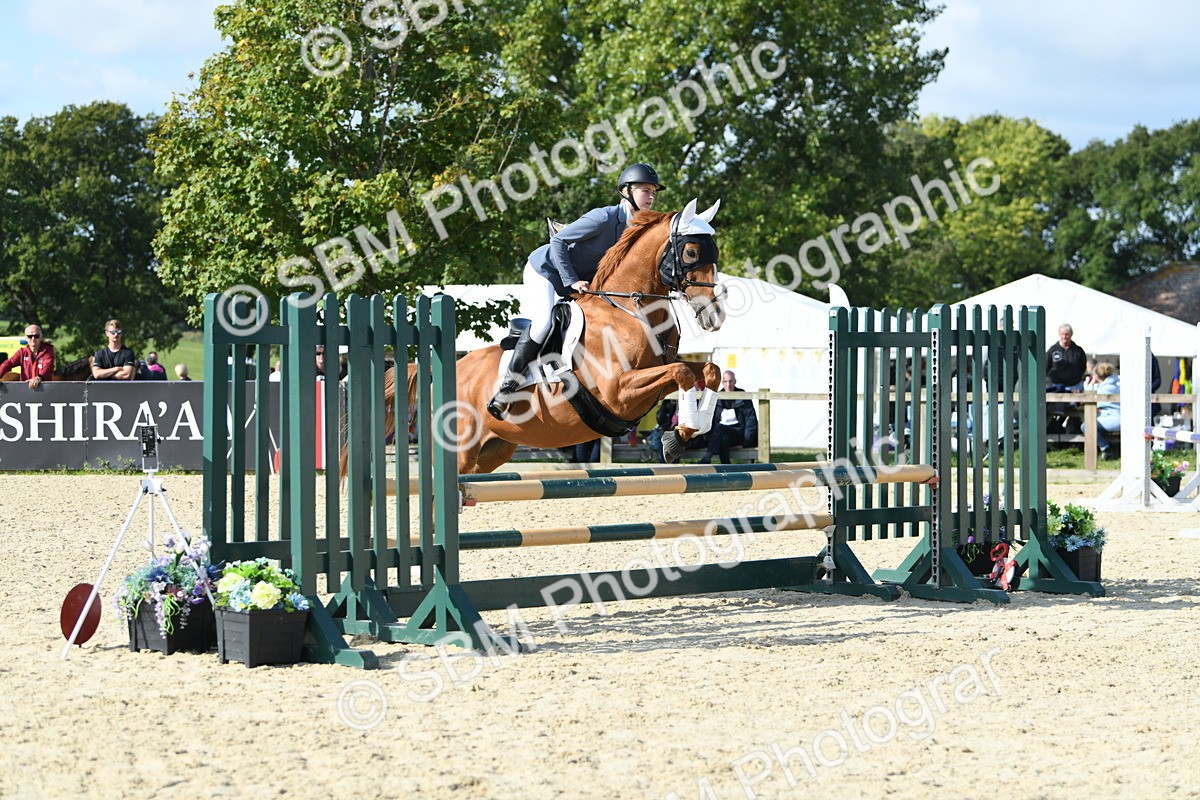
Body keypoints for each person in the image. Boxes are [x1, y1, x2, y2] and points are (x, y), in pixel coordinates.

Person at [486, 163, 667, 419]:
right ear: (626, 191)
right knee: (543, 323)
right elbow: (558, 241)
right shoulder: (603, 217)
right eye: (645, 190)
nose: (650, 196)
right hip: (547, 270)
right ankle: (507, 387)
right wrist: (571, 281)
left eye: (653, 192)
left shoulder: (637, 230)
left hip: (582, 282)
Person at [699, 371, 759, 464]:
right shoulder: (717, 397)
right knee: (724, 438)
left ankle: (707, 457)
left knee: (720, 427)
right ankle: (726, 468)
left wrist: (745, 443)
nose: (728, 385)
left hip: (738, 433)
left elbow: (751, 421)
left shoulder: (743, 396)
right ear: (722, 383)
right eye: (726, 382)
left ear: (735, 382)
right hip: (721, 435)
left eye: (731, 381)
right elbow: (711, 420)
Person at [1092, 362, 1121, 460]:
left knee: (1086, 426)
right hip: (1116, 417)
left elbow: (1096, 403)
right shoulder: (1115, 383)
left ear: (1097, 375)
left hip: (1114, 418)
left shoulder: (1105, 388)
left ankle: (1106, 449)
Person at [1046, 324, 1087, 392]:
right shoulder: (1052, 350)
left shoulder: (1078, 351)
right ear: (1059, 334)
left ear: (1071, 334)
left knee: (1073, 403)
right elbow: (1046, 366)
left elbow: (1083, 367)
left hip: (1074, 386)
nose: (1064, 337)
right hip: (1055, 386)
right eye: (1062, 334)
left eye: (1067, 334)